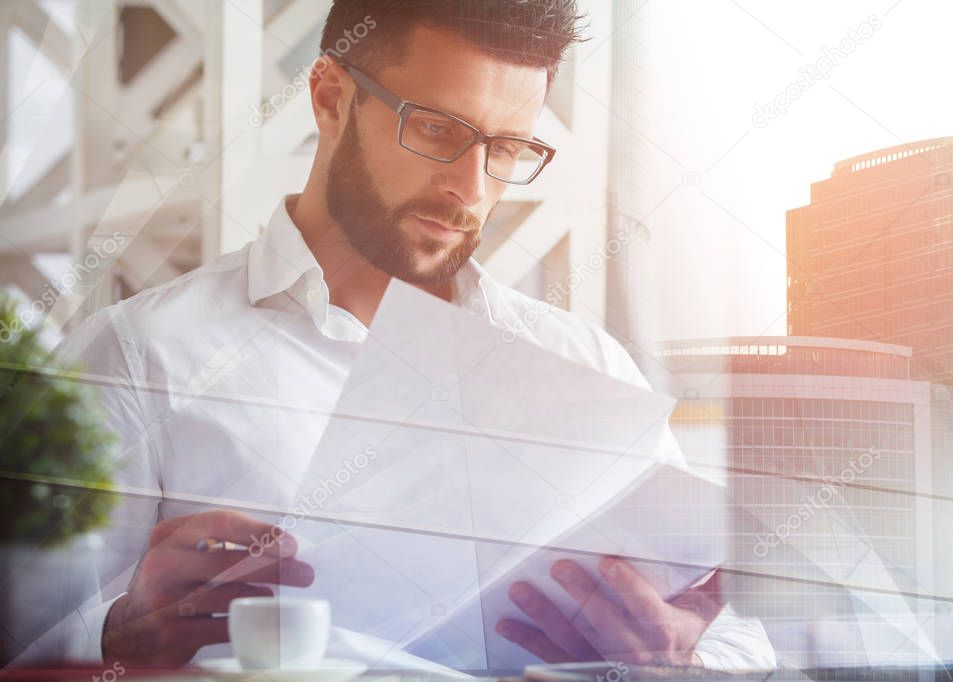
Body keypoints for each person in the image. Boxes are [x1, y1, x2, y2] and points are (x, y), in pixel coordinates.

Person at [47, 0, 776, 671]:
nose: (472, 187)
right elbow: (23, 638)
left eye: (507, 148)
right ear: (330, 96)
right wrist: (121, 635)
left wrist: (677, 654)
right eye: (436, 129)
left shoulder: (588, 365)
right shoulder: (138, 356)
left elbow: (744, 639)